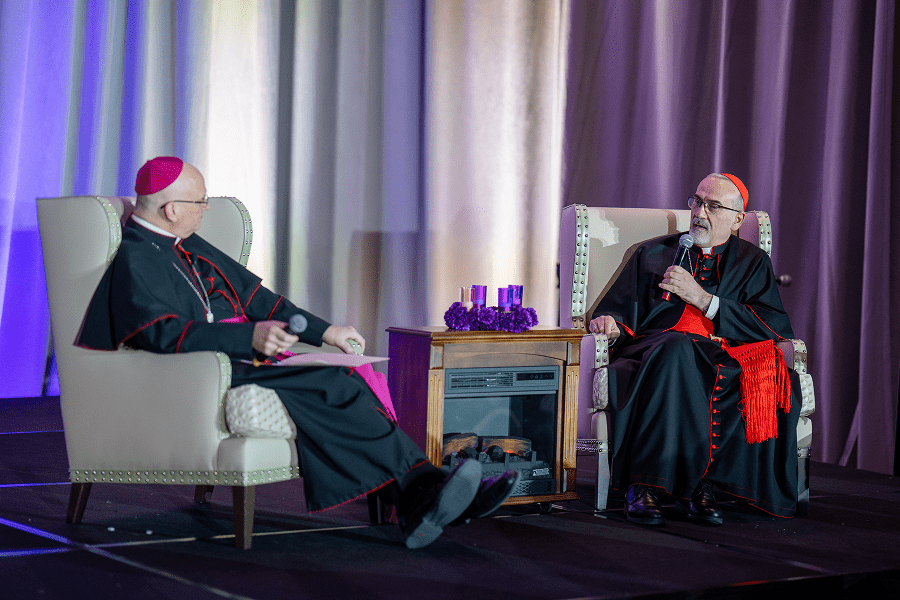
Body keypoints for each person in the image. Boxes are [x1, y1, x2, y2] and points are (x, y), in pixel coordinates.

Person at [78, 156, 521, 549]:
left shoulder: (184, 242)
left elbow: (258, 300)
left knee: (347, 378)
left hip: (234, 358)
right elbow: (159, 334)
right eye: (200, 202)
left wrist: (326, 332)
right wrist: (245, 339)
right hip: (202, 369)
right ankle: (425, 493)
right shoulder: (140, 255)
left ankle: (422, 497)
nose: (206, 209)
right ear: (172, 209)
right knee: (334, 383)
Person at [588, 173, 800, 526]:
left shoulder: (753, 262)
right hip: (655, 354)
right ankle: (647, 486)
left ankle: (703, 485)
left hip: (722, 356)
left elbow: (773, 327)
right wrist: (610, 322)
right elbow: (620, 309)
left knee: (774, 379)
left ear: (736, 220)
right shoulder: (653, 253)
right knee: (677, 349)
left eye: (713, 206)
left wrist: (705, 300)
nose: (700, 212)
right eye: (697, 201)